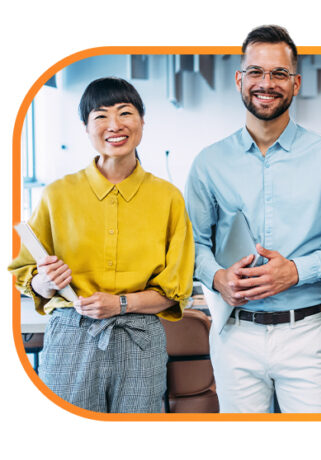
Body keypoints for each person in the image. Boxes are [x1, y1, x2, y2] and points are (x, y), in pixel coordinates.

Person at [185, 25, 321, 413]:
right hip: (235, 334)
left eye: (279, 73)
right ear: (239, 79)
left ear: (295, 83)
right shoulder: (209, 163)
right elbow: (193, 244)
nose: (267, 83)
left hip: (305, 333)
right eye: (256, 72)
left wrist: (296, 270)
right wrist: (217, 277)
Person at [9, 77, 194, 413]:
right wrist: (45, 282)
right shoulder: (57, 195)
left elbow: (175, 291)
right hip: (70, 336)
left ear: (142, 121)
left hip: (140, 337)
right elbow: (28, 277)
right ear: (86, 127)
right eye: (101, 116)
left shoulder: (168, 198)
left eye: (125, 113)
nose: (115, 125)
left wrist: (120, 304)